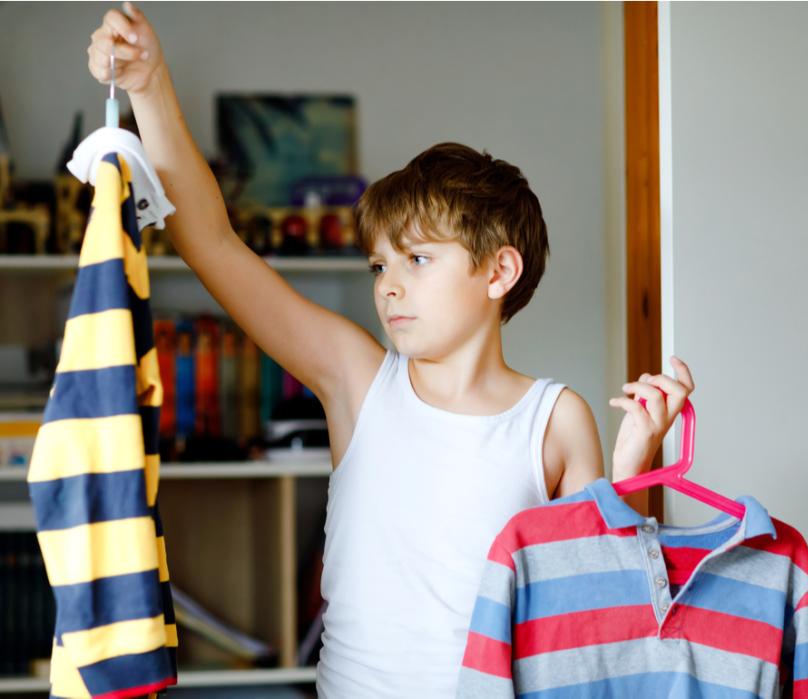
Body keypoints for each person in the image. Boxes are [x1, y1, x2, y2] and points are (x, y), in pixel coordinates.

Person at [86, 4, 696, 697]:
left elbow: (599, 623)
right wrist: (149, 84)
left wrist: (632, 465)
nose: (390, 287)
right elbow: (211, 241)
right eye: (380, 266)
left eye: (417, 259)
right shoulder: (357, 379)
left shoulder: (556, 420)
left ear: (498, 272)